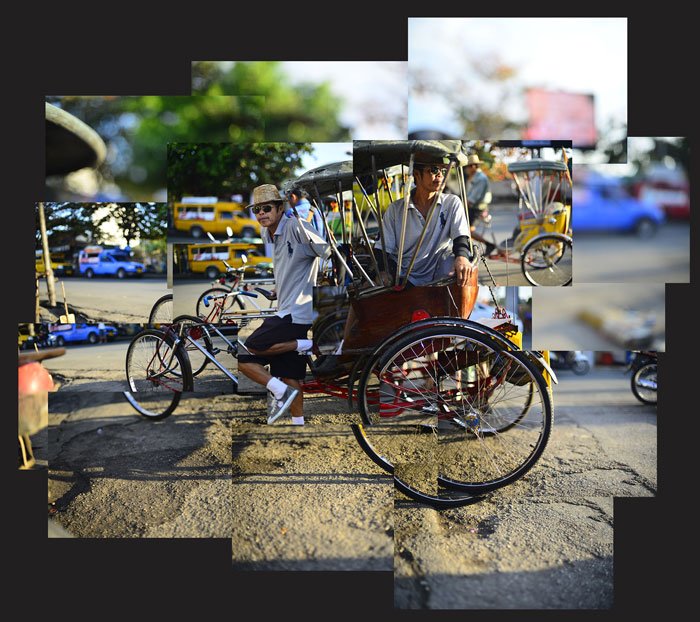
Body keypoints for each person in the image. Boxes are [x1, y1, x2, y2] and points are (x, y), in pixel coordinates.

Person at [237, 184, 329, 426]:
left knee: (246, 354)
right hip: (288, 308)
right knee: (290, 375)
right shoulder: (270, 234)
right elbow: (291, 265)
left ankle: (302, 348)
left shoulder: (295, 226)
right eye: (257, 210)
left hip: (295, 312)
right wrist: (280, 288)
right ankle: (298, 423)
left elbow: (324, 250)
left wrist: (317, 277)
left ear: (280, 208)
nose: (261, 214)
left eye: (267, 208)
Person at [373, 157, 476, 287]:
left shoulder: (452, 203)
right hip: (403, 276)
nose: (440, 175)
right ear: (417, 174)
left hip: (439, 273)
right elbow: (383, 248)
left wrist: (462, 257)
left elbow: (460, 237)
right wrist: (383, 271)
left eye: (443, 171)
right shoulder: (395, 209)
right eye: (434, 170)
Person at [465, 154, 496, 255]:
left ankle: (488, 244)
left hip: (477, 208)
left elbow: (472, 198)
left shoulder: (480, 179)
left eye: (468, 166)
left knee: (468, 231)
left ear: (473, 166)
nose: (467, 169)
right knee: (466, 230)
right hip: (474, 207)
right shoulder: (474, 177)